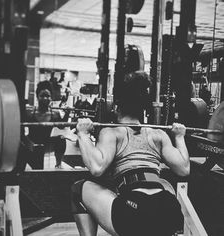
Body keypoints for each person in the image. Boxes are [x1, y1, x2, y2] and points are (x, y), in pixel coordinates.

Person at [71, 71, 190, 236]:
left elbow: (97, 168)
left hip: (134, 209)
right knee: (164, 185)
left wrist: (83, 134)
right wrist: (179, 137)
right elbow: (183, 168)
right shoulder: (158, 135)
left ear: (116, 105)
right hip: (168, 209)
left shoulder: (112, 133)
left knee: (77, 189)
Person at [16, 80, 68, 170]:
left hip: (46, 143)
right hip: (31, 142)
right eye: (42, 96)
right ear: (37, 97)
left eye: (47, 96)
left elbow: (62, 126)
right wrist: (29, 143)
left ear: (51, 98)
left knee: (61, 139)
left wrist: (67, 113)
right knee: (22, 146)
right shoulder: (30, 112)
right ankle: (20, 170)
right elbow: (20, 131)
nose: (45, 98)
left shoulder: (54, 114)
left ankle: (58, 165)